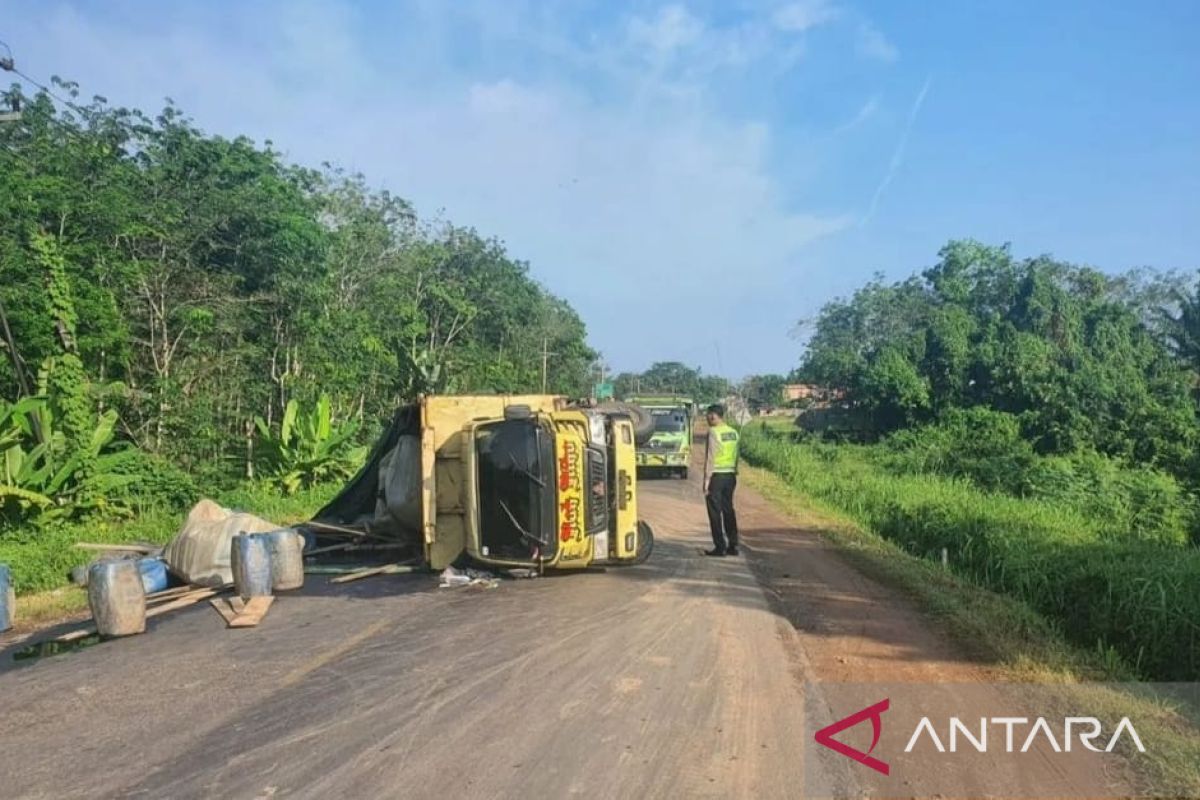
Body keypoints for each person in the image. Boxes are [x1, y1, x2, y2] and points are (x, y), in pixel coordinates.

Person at [702, 404, 740, 556]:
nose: (707, 418)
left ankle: (720, 547)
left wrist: (706, 480)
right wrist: (734, 470)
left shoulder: (713, 432)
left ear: (713, 416)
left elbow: (710, 457)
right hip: (730, 476)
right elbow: (737, 454)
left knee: (715, 512)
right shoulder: (733, 432)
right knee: (728, 510)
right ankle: (733, 545)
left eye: (708, 415)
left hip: (716, 476)